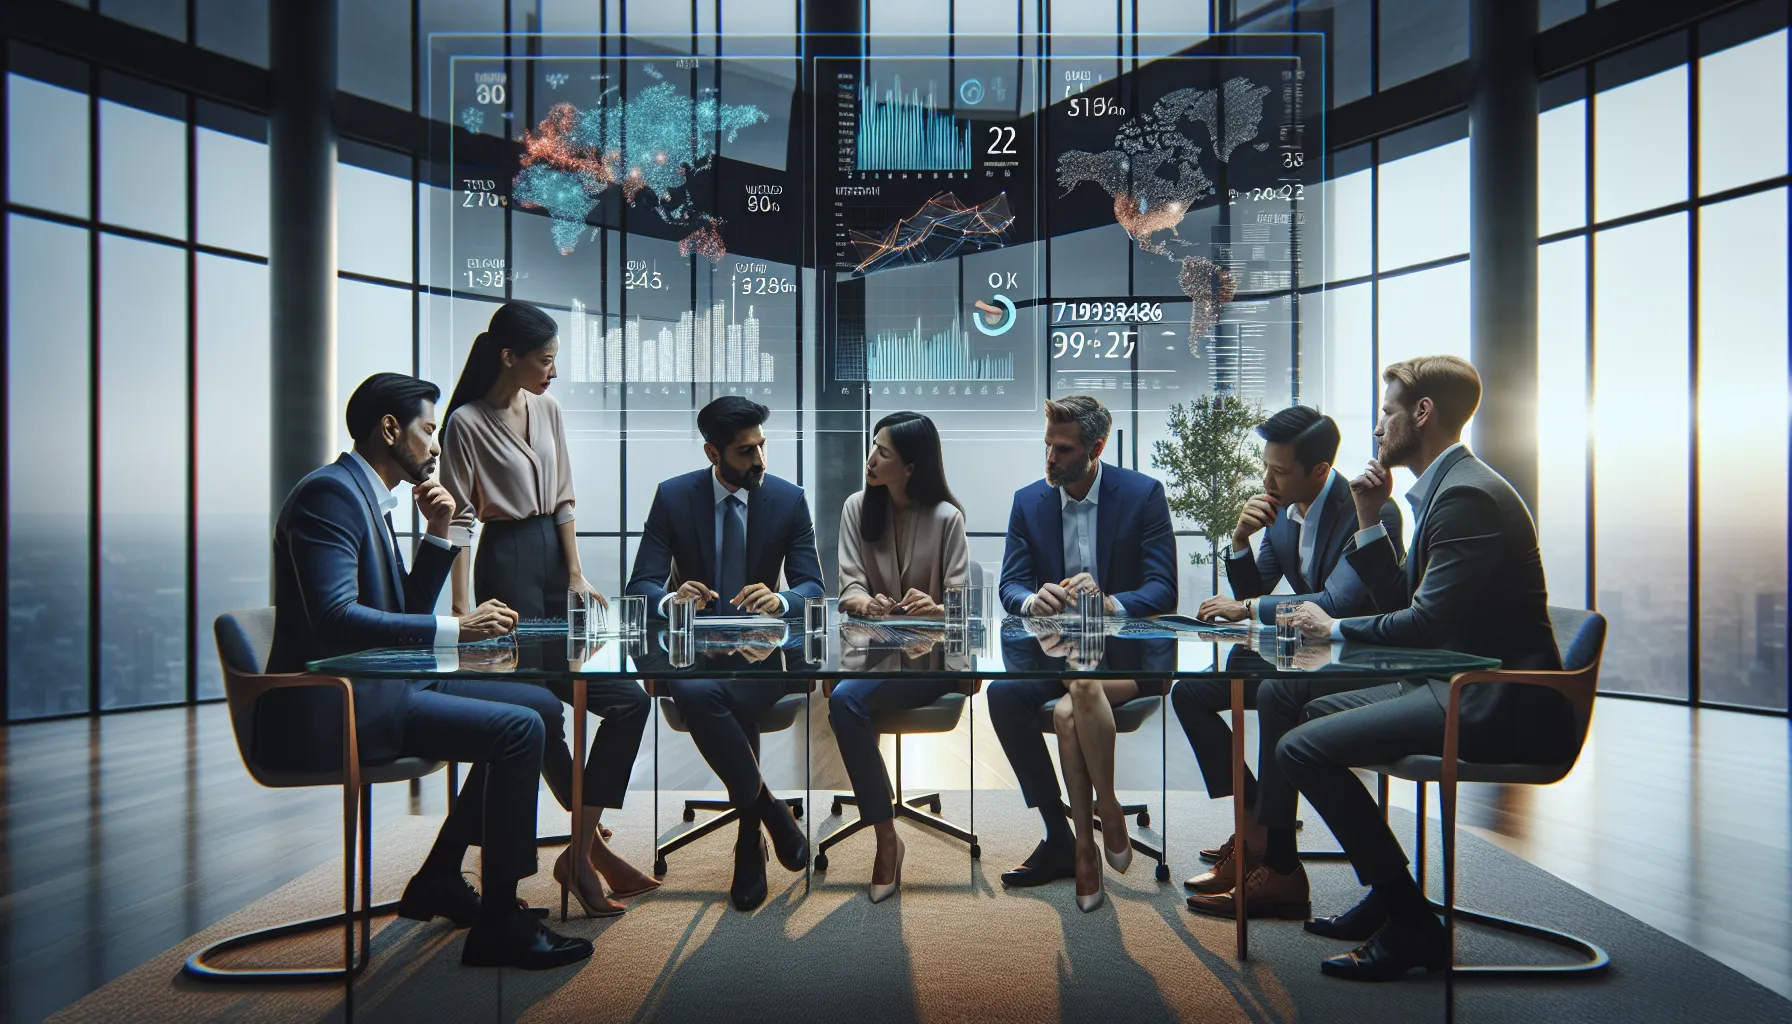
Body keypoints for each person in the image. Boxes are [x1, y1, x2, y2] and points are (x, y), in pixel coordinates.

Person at [1241, 356, 1569, 982]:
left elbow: (1424, 627)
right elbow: (1406, 607)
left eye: (1388, 413)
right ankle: (1379, 887)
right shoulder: (1447, 491)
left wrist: (1332, 626)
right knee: (1298, 712)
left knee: (1303, 750)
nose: (1378, 429)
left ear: (1423, 415)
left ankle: (1411, 920)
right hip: (1450, 681)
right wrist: (1369, 519)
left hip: (1493, 698)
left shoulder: (1466, 496)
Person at [261, 373, 590, 970]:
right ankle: (500, 923)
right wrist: (456, 628)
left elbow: (399, 614)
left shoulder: (366, 497)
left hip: (383, 682)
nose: (437, 445)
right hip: (343, 702)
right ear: (391, 430)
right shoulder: (329, 495)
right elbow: (337, 619)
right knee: (520, 731)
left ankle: (440, 875)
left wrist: (438, 538)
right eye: (429, 430)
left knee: (538, 704)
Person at [439, 301, 656, 918]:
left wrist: (579, 573)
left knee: (625, 700)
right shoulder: (464, 423)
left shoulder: (549, 410)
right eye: (545, 360)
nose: (553, 372)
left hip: (555, 568)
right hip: (503, 567)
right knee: (540, 716)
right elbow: (457, 520)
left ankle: (580, 850)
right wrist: (462, 608)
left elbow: (563, 499)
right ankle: (588, 863)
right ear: (510, 356)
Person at [1172, 406, 1404, 897]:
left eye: (1278, 471)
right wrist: (1238, 540)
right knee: (1190, 692)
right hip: (1302, 654)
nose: (1266, 479)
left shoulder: (1369, 511)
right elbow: (1257, 585)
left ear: (1319, 471)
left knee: (1275, 690)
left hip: (1355, 659)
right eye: (1265, 466)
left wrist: (1250, 607)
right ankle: (1256, 823)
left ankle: (1275, 858)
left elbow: (1338, 601)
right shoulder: (1282, 515)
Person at [625, 396, 825, 911]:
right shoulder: (673, 497)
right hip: (695, 654)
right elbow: (642, 583)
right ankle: (764, 818)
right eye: (744, 451)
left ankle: (751, 836)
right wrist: (672, 599)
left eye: (761, 445)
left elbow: (812, 586)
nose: (759, 460)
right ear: (713, 452)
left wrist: (779, 599)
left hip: (764, 654)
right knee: (697, 687)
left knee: (713, 695)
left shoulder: (787, 498)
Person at [987, 395, 1177, 901]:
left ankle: (1086, 844)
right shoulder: (1029, 501)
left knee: (1079, 686)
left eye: (1062, 449)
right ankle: (1068, 828)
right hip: (1058, 652)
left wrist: (1109, 602)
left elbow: (1163, 589)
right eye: (1047, 445)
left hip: (1126, 659)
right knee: (1005, 696)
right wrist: (1033, 599)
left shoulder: (1142, 495)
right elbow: (1010, 586)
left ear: (1096, 447)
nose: (1049, 458)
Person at [829, 412, 969, 903]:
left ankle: (885, 838)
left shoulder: (948, 519)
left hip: (928, 664)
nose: (870, 459)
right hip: (871, 655)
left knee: (846, 702)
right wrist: (864, 601)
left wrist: (937, 608)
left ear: (911, 466)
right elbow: (848, 583)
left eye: (883, 452)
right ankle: (888, 836)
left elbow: (961, 606)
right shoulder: (855, 508)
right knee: (845, 699)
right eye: (873, 446)